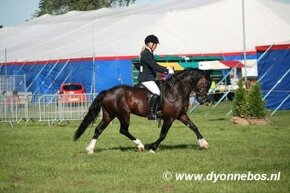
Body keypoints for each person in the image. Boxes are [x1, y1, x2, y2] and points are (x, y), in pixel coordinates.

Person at [138, 34, 174, 120]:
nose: (156, 47)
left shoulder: (148, 53)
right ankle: (151, 113)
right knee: (157, 92)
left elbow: (153, 67)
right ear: (151, 44)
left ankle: (159, 110)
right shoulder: (146, 54)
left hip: (150, 77)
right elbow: (155, 66)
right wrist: (167, 70)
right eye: (156, 45)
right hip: (146, 78)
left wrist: (162, 73)